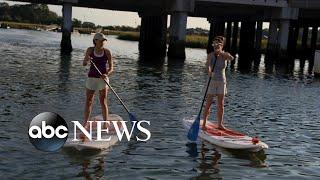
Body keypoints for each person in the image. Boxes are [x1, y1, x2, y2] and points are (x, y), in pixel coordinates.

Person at [81, 32, 113, 141]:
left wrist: (107, 74)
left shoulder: (107, 52)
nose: (103, 42)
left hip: (102, 79)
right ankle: (85, 124)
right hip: (91, 78)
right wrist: (87, 60)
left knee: (102, 101)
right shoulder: (90, 50)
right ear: (95, 41)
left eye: (104, 41)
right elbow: (84, 64)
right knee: (89, 101)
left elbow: (111, 68)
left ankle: (106, 123)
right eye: (101, 41)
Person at [202, 36, 234, 130]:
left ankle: (220, 124)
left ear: (221, 46)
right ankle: (204, 123)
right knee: (208, 103)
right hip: (212, 81)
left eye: (218, 45)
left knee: (221, 104)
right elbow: (207, 65)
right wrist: (209, 72)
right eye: (214, 44)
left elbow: (231, 58)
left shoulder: (224, 55)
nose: (216, 46)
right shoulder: (211, 55)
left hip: (222, 81)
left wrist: (223, 54)